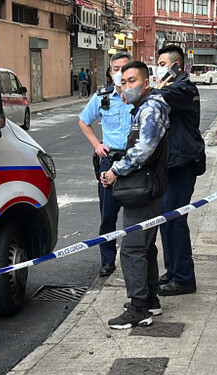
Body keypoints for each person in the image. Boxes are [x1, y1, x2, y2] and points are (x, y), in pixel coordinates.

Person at [100, 61, 170, 329]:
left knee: (131, 248)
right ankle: (150, 298)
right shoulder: (144, 107)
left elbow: (144, 149)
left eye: (132, 81)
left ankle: (139, 307)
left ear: (146, 83)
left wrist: (116, 170)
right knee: (145, 246)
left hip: (144, 188)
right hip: (148, 186)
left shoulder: (151, 108)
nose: (127, 87)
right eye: (123, 82)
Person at [154, 45, 205, 296]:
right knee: (166, 219)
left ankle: (184, 278)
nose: (159, 68)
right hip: (169, 162)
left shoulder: (185, 89)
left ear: (177, 66)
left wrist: (154, 88)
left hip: (182, 162)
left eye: (163, 64)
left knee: (175, 220)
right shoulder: (172, 88)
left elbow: (160, 96)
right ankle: (173, 271)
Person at [79, 53, 134, 277]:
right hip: (109, 163)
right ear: (111, 74)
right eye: (116, 69)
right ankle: (107, 260)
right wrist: (96, 145)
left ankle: (134, 259)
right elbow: (84, 121)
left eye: (125, 68)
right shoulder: (102, 97)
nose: (120, 72)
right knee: (108, 216)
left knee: (136, 216)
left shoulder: (139, 97)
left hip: (135, 164)